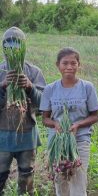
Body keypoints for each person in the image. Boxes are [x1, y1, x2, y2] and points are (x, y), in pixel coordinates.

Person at [40, 47, 98, 195]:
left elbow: (95, 116)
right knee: (61, 185)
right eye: (65, 63)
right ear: (57, 65)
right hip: (57, 143)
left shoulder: (87, 87)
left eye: (73, 63)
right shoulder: (50, 89)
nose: (69, 67)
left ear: (79, 65)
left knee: (78, 185)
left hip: (80, 140)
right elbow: (45, 118)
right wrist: (55, 124)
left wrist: (78, 124)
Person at [0, 27, 46, 195]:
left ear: (24, 46)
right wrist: (3, 86)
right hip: (2, 135)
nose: (13, 48)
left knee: (26, 182)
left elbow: (44, 105)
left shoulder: (34, 72)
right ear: (3, 47)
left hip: (27, 135)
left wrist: (29, 87)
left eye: (17, 43)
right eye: (8, 44)